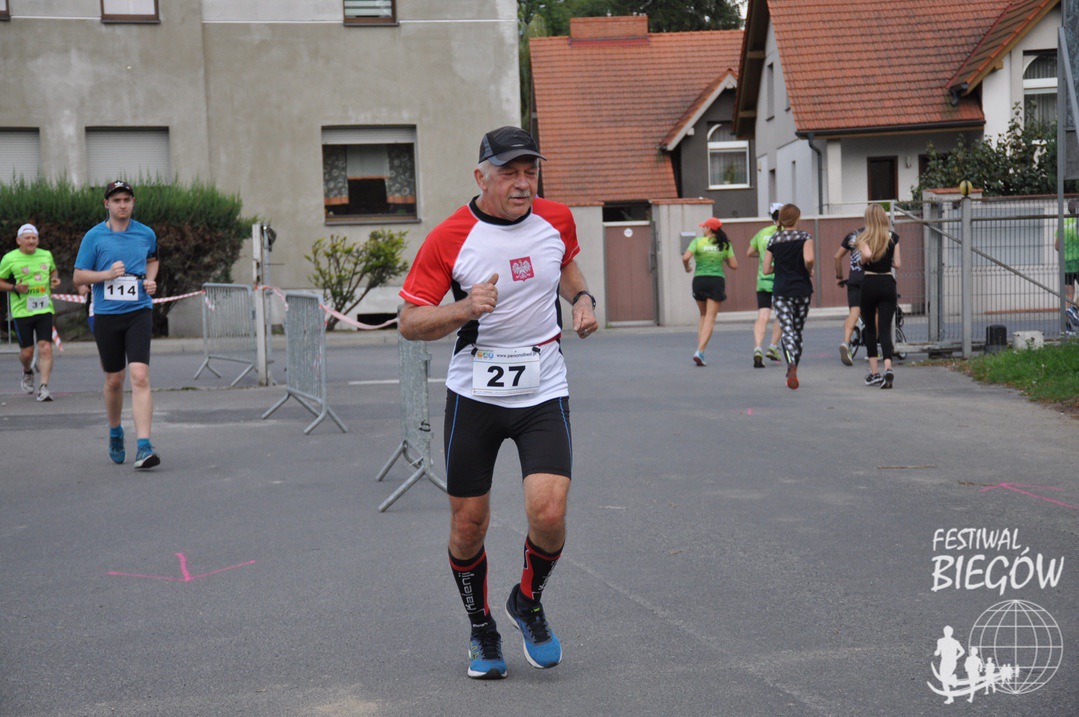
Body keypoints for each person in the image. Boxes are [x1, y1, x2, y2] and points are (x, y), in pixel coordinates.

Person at [397, 126, 598, 680]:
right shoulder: (449, 237)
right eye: (509, 172)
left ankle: (527, 602)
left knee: (549, 513)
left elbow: (566, 264)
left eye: (530, 171)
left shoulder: (556, 218)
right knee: (469, 525)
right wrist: (464, 309)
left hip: (542, 387)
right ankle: (481, 627)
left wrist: (581, 298)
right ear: (480, 176)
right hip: (475, 395)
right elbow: (409, 321)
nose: (523, 183)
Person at [73, 180, 161, 470]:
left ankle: (144, 445)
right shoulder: (94, 236)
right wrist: (106, 275)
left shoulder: (146, 233)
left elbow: (153, 259)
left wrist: (150, 281)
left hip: (139, 311)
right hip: (107, 314)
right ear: (106, 204)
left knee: (140, 376)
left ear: (133, 203)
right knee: (114, 379)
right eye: (116, 200)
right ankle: (115, 431)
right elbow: (79, 277)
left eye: (126, 200)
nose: (122, 205)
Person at [0, 224, 60, 401]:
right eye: (27, 238)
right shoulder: (9, 259)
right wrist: (14, 288)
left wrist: (54, 279)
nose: (31, 241)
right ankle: (27, 371)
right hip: (22, 311)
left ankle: (44, 387)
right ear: (19, 241)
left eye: (34, 238)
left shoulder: (46, 255)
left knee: (46, 347)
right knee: (27, 352)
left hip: (44, 308)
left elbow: (53, 271)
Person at [762, 204, 814, 390]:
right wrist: (808, 270)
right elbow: (809, 259)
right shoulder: (805, 237)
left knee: (787, 330)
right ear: (797, 219)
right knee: (797, 331)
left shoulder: (774, 239)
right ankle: (795, 367)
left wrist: (779, 267)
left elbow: (766, 269)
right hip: (802, 290)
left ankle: (790, 363)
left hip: (781, 291)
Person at [854, 204, 901, 389]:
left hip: (870, 283)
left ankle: (874, 373)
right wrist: (886, 259)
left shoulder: (863, 237)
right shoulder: (893, 237)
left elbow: (866, 254)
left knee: (870, 329)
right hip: (888, 283)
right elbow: (898, 264)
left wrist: (862, 261)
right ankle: (888, 367)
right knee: (885, 328)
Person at [682, 217, 737, 366]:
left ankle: (700, 351)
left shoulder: (697, 242)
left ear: (709, 229)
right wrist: (723, 257)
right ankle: (700, 351)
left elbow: (686, 257)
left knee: (703, 315)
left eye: (704, 227)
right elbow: (734, 265)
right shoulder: (724, 244)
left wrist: (687, 267)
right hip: (716, 281)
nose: (702, 229)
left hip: (699, 280)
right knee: (710, 318)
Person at [747, 203, 784, 368]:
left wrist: (764, 255)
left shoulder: (762, 233)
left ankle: (757, 348)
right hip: (781, 280)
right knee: (782, 315)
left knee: (763, 316)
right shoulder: (784, 233)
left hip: (763, 280)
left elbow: (749, 252)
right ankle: (773, 347)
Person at [834, 222, 866, 366]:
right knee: (875, 313)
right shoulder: (877, 234)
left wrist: (839, 276)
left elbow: (837, 257)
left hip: (853, 280)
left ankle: (846, 342)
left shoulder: (853, 235)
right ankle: (875, 348)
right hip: (870, 278)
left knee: (854, 313)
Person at [1055, 198, 1079, 331]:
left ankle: (1066, 328)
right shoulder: (1078, 222)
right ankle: (1074, 308)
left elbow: (1057, 246)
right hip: (1078, 260)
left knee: (1068, 295)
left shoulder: (1063, 223)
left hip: (1067, 263)